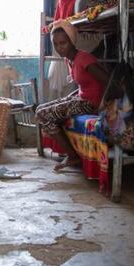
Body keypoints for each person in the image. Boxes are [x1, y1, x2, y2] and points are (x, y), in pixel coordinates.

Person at [35, 20, 111, 171]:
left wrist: (104, 105)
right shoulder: (70, 59)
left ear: (72, 41)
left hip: (91, 103)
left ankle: (72, 156)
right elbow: (84, 85)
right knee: (41, 109)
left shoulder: (84, 58)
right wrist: (70, 97)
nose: (59, 47)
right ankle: (71, 152)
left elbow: (108, 81)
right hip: (81, 98)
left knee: (42, 114)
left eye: (63, 43)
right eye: (56, 44)